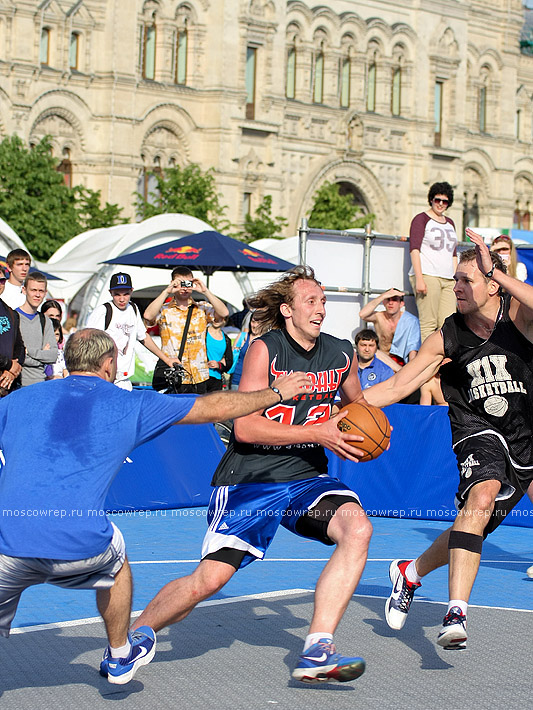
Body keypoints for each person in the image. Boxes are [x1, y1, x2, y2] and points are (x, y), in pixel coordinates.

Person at [0, 327, 309, 684]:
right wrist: (275, 393)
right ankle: (119, 653)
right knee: (117, 563)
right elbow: (213, 407)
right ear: (109, 363)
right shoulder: (131, 403)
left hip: (8, 541)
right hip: (80, 541)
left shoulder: (16, 401)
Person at [132, 265, 375, 685]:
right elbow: (245, 426)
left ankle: (318, 647)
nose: (320, 309)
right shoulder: (266, 349)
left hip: (305, 478)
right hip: (252, 478)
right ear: (287, 309)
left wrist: (419, 373)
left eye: (323, 301)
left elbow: (362, 406)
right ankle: (134, 635)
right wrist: (317, 430)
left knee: (357, 530)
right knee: (209, 579)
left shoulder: (340, 353)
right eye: (310, 302)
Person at [364, 228, 533, 649]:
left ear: (494, 284)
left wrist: (497, 267)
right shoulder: (447, 336)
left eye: (466, 280)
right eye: (455, 279)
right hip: (478, 429)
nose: (455, 287)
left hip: (525, 433)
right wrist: (338, 409)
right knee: (480, 497)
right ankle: (456, 611)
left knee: (474, 527)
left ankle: (411, 572)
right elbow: (396, 386)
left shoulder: (518, 317)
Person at [144, 267, 229, 394]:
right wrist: (166, 291)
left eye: (188, 283)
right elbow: (148, 316)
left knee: (198, 413)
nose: (184, 288)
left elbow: (224, 312)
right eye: (180, 283)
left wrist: (205, 291)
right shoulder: (164, 309)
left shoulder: (202, 308)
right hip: (174, 375)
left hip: (198, 375)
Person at [86, 272, 177, 391]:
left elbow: (143, 337)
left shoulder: (133, 308)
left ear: (132, 291)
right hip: (103, 379)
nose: (122, 299)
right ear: (110, 293)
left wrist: (167, 360)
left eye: (126, 294)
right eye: (117, 294)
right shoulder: (103, 311)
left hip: (123, 379)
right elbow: (87, 342)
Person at [409, 181, 458, 342]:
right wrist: (419, 279)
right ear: (431, 199)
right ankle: (428, 363)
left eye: (445, 201)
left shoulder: (450, 223)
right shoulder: (421, 219)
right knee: (428, 323)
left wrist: (457, 279)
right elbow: (414, 249)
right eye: (437, 200)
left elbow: (453, 254)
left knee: (448, 323)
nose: (441, 204)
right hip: (428, 274)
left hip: (448, 278)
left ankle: (445, 361)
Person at [359, 288, 421, 365]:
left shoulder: (411, 321)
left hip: (401, 362)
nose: (390, 303)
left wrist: (412, 367)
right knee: (376, 353)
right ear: (384, 302)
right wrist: (383, 296)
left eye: (394, 300)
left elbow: (413, 348)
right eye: (388, 299)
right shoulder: (379, 317)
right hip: (382, 360)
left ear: (401, 304)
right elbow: (362, 314)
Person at [17, 272, 58, 386]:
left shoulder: (45, 321)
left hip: (40, 384)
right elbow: (15, 356)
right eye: (33, 290)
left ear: (45, 293)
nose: (37, 295)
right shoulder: (14, 318)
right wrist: (41, 355)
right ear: (24, 290)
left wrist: (29, 351)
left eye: (41, 291)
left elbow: (53, 355)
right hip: (18, 383)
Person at [0, 266, 24, 396]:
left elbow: (20, 346)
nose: (0, 284)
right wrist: (9, 365)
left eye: (2, 280)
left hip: (8, 383)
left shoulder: (10, 312)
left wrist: (13, 369)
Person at [228, 311, 263, 390]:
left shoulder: (266, 340)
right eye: (253, 322)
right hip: (237, 379)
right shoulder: (243, 336)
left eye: (258, 323)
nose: (255, 325)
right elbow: (231, 354)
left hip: (255, 382)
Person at [205, 313, 233, 392]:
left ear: (225, 320)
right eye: (215, 317)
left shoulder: (226, 339)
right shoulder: (202, 333)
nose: (217, 320)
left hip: (216, 379)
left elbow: (229, 362)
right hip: (201, 377)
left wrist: (218, 365)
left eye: (221, 318)